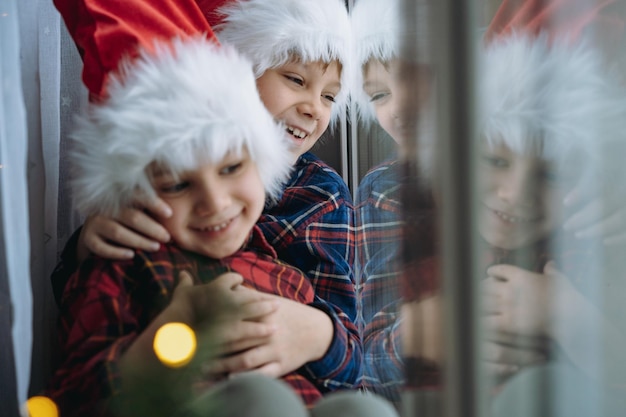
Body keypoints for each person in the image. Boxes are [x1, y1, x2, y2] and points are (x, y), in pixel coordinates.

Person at [44, 37, 398, 417]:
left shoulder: (280, 268)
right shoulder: (121, 267)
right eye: (178, 185)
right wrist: (171, 335)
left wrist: (319, 333)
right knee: (263, 401)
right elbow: (74, 395)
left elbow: (352, 361)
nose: (215, 202)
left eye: (231, 169)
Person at [351, 0, 626, 410]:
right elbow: (367, 370)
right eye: (495, 161)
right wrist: (431, 330)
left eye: (549, 174)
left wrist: (567, 315)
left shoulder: (591, 221)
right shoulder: (392, 192)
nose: (514, 192)